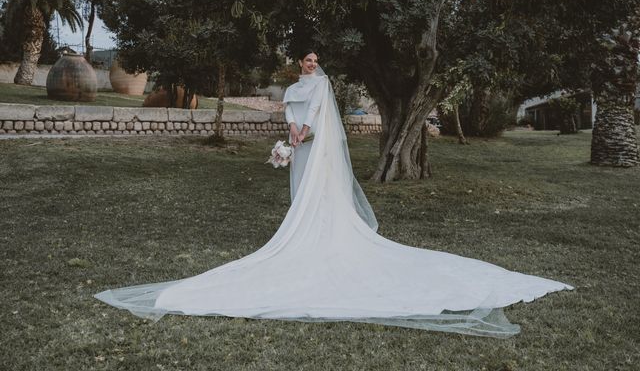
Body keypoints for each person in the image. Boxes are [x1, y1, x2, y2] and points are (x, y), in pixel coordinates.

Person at [95, 51, 573, 337]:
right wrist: (292, 134)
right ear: (297, 63)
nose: (310, 65)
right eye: (306, 59)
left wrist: (307, 133)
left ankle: (320, 231)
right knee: (296, 187)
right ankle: (303, 225)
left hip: (316, 145)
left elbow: (324, 118)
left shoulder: (322, 85)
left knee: (317, 194)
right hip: (298, 145)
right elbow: (290, 113)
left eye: (315, 60)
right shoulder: (292, 87)